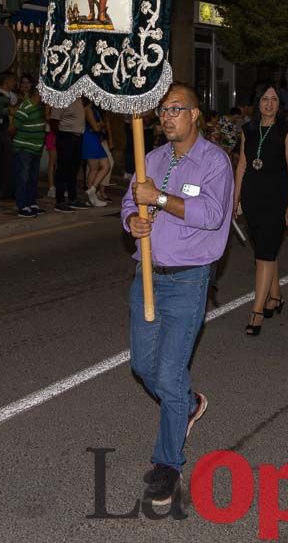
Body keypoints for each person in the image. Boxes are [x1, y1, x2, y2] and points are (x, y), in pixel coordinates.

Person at [119, 83, 233, 506]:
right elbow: (130, 203)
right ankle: (187, 404)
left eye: (175, 110)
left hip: (188, 280)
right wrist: (133, 220)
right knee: (144, 366)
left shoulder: (213, 162)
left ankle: (167, 464)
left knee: (167, 373)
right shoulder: (150, 159)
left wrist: (160, 198)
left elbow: (210, 214)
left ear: (195, 115)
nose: (166, 117)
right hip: (147, 274)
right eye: (162, 111)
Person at [233, 83, 288, 336]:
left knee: (264, 253)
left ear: (279, 104)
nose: (269, 104)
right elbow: (242, 165)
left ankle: (257, 311)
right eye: (264, 99)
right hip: (252, 197)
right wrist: (235, 198)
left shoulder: (287, 129)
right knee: (265, 249)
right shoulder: (248, 130)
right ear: (257, 102)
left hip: (276, 199)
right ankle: (275, 296)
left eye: (273, 99)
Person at [10, 74, 46, 218]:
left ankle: (31, 203)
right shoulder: (26, 106)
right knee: (23, 177)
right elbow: (12, 128)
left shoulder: (41, 108)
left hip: (36, 148)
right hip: (24, 148)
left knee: (32, 178)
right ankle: (22, 205)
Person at [51, 97, 90, 213]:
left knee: (73, 169)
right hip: (66, 136)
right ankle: (60, 201)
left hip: (78, 137)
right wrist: (61, 137)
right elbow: (54, 120)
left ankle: (73, 199)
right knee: (63, 169)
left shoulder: (78, 98)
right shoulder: (61, 98)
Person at [82, 99, 111, 207]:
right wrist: (100, 125)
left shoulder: (94, 109)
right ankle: (91, 197)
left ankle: (92, 190)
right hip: (90, 139)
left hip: (95, 139)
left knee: (106, 165)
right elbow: (96, 127)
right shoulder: (88, 109)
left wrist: (100, 125)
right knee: (94, 168)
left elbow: (100, 126)